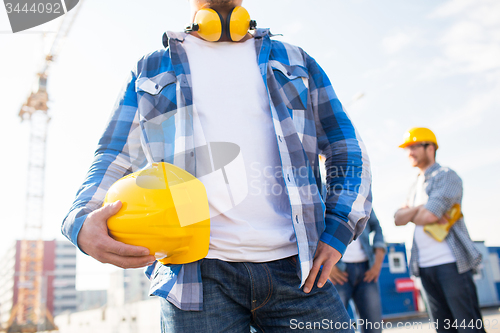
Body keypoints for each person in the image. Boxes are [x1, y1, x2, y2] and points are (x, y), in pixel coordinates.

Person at [61, 0, 372, 331]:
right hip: (194, 277)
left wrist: (339, 225)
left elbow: (345, 146)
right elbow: (113, 154)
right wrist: (80, 221)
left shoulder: (296, 61)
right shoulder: (150, 69)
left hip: (300, 271)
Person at [394, 127, 484, 333]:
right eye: (407, 148)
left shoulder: (447, 176)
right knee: (443, 329)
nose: (409, 152)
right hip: (424, 267)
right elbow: (398, 219)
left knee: (469, 328)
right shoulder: (414, 185)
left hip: (451, 265)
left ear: (431, 147)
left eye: (415, 146)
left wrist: (413, 212)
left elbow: (430, 216)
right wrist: (420, 207)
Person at [329, 210, 386, 333]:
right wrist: (326, 265)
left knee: (374, 327)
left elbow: (376, 227)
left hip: (366, 269)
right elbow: (314, 226)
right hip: (337, 270)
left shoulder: (361, 193)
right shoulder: (324, 192)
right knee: (334, 328)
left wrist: (378, 260)